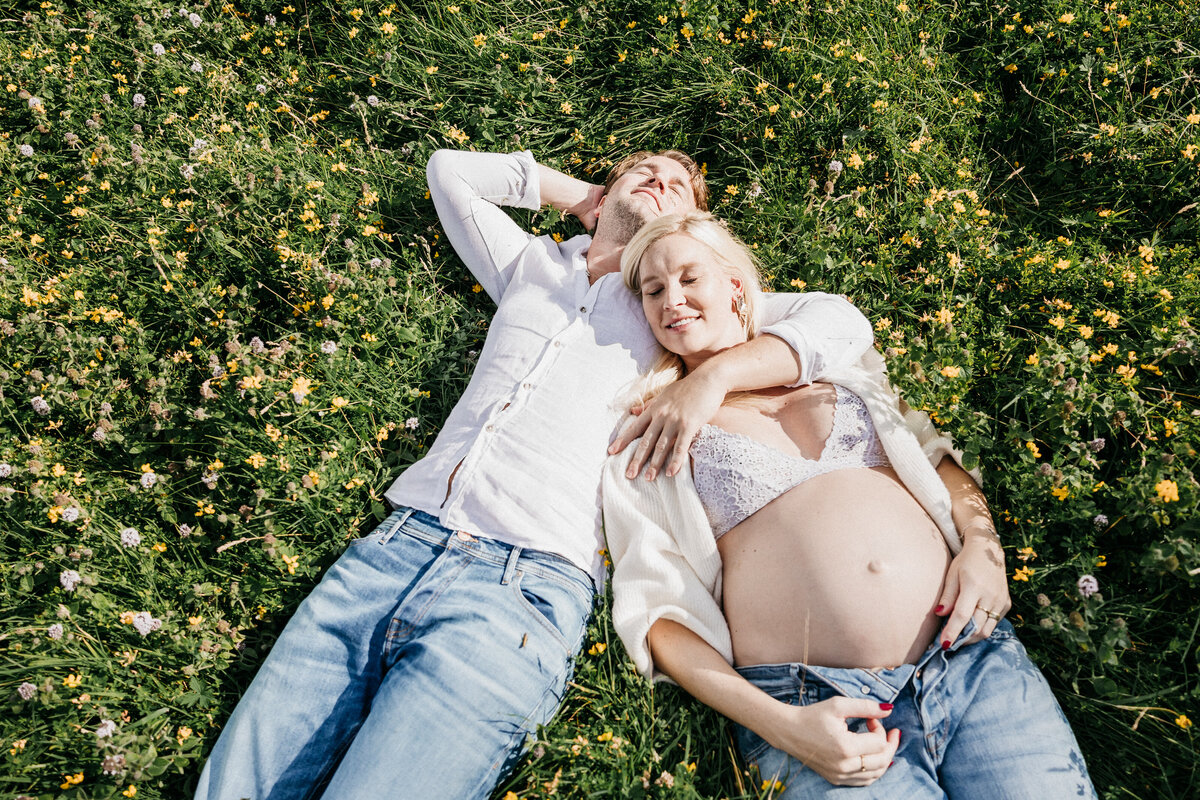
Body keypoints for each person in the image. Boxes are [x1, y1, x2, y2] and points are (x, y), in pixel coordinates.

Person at [194, 150, 876, 800]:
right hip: (392, 552)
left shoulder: (677, 301)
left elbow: (843, 322)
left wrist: (714, 376)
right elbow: (450, 173)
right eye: (644, 172)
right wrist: (588, 198)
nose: (659, 183)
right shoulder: (532, 266)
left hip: (521, 592)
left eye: (677, 188)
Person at [603, 211, 1096, 798]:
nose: (672, 300)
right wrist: (781, 726)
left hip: (968, 657)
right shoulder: (651, 430)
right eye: (653, 290)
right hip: (813, 704)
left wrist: (984, 551)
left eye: (690, 278)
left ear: (734, 284)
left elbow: (938, 458)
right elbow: (658, 612)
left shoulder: (840, 367)